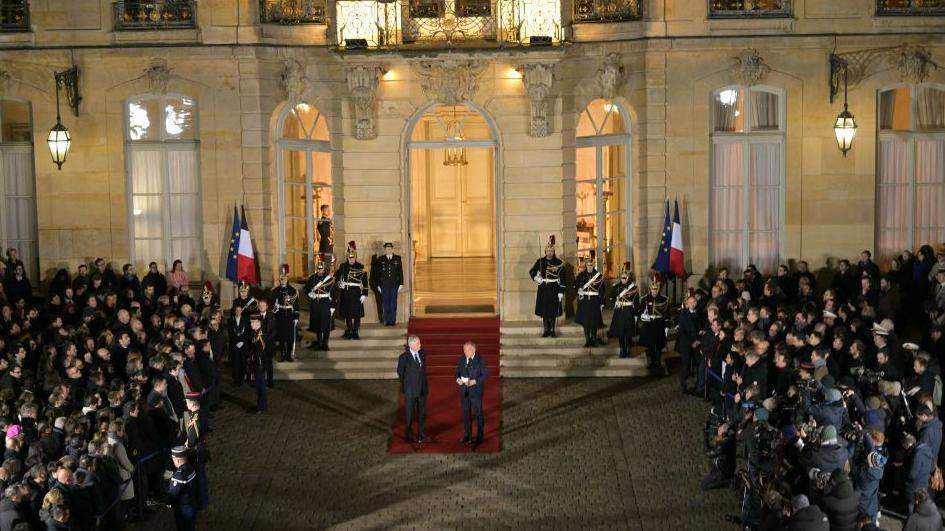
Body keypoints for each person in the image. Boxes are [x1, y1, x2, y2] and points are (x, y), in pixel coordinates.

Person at [528, 235, 564, 337]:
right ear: (545, 251)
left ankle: (552, 330)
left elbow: (563, 279)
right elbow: (531, 271)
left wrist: (561, 291)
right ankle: (545, 330)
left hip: (554, 289)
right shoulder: (540, 261)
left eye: (551, 251)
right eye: (548, 251)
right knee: (544, 310)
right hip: (543, 288)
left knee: (552, 310)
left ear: (553, 252)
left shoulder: (558, 263)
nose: (550, 253)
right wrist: (536, 278)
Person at [455, 341, 488, 446]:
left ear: (474, 350)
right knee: (466, 414)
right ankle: (467, 435)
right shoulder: (461, 359)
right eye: (464, 349)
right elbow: (456, 373)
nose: (465, 352)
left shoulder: (480, 360)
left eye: (467, 350)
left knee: (478, 414)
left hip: (476, 392)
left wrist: (474, 381)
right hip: (464, 391)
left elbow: (485, 375)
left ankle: (480, 436)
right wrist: (458, 380)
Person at [397, 335, 428, 443]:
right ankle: (409, 435)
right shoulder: (403, 358)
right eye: (418, 343)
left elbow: (423, 371)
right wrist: (406, 387)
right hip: (410, 390)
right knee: (409, 414)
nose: (420, 345)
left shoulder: (422, 353)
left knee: (422, 413)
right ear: (411, 345)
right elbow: (400, 373)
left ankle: (422, 434)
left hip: (422, 389)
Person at [335, 241, 368, 340]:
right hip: (346, 292)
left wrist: (364, 294)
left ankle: (356, 332)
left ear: (355, 257)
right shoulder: (343, 266)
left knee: (357, 315)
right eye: (350, 257)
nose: (351, 259)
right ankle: (349, 331)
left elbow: (365, 281)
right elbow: (336, 277)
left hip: (357, 293)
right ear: (347, 257)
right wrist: (339, 283)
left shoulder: (361, 267)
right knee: (348, 314)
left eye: (353, 257)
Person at [638, 276, 669, 375]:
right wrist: (642, 316)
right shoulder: (645, 299)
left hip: (659, 324)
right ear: (650, 289)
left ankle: (658, 363)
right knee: (649, 345)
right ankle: (651, 362)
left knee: (659, 345)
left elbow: (667, 314)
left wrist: (667, 326)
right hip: (648, 324)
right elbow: (641, 312)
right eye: (652, 289)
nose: (654, 291)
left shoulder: (664, 299)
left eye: (656, 289)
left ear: (658, 289)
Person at [304, 254, 335, 351]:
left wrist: (333, 306)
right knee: (317, 323)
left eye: (321, 269)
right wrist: (309, 294)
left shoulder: (329, 279)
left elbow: (334, 293)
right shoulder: (312, 278)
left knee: (325, 324)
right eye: (318, 268)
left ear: (324, 268)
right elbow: (306, 289)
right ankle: (319, 342)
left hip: (325, 303)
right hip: (315, 303)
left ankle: (325, 344)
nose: (320, 270)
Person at [608, 262, 638, 358]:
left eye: (625, 278)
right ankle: (622, 350)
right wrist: (615, 303)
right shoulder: (616, 287)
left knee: (628, 333)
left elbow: (637, 301)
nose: (623, 280)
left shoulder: (633, 288)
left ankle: (628, 350)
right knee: (620, 332)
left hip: (629, 311)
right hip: (619, 312)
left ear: (628, 278)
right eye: (622, 278)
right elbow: (611, 298)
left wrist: (636, 314)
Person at [574, 254, 605, 347]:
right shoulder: (581, 275)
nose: (590, 267)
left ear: (593, 265)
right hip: (584, 301)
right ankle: (587, 340)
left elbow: (602, 290)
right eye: (588, 265)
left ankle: (594, 339)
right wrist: (578, 290)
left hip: (595, 301)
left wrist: (602, 303)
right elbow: (575, 285)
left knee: (594, 321)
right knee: (586, 321)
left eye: (591, 265)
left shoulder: (598, 276)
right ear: (586, 265)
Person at [271, 265, 299, 362]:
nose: (283, 280)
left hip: (290, 316)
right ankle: (283, 353)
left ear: (287, 279)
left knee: (290, 336)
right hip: (280, 315)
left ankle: (289, 355)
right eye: (281, 279)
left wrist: (296, 317)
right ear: (279, 279)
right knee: (282, 336)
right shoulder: (275, 291)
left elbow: (296, 305)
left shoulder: (293, 291)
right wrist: (274, 311)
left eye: (285, 278)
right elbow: (271, 306)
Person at [168, 446, 199, 531]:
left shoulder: (179, 475)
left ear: (177, 460)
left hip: (183, 509)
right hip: (192, 504)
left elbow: (173, 494)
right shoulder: (191, 467)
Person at [677, 295, 704, 394]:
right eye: (690, 302)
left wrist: (698, 341)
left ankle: (697, 386)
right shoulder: (683, 315)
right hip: (686, 345)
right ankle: (684, 385)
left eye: (694, 302)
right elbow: (682, 332)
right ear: (687, 304)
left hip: (697, 344)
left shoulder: (700, 314)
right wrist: (691, 343)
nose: (692, 304)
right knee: (686, 365)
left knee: (698, 365)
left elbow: (702, 329)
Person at [375, 242, 404, 327]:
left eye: (390, 248)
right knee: (385, 302)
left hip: (394, 284)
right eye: (387, 249)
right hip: (384, 285)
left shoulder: (397, 258)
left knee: (393, 302)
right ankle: (387, 320)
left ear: (392, 249)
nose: (388, 250)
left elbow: (400, 272)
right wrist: (378, 285)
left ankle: (393, 320)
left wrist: (401, 283)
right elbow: (378, 273)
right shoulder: (381, 259)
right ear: (385, 250)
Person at [248, 313, 268, 413]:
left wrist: (253, 357)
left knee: (260, 386)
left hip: (259, 363)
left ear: (258, 322)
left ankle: (261, 407)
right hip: (256, 362)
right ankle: (260, 405)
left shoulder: (260, 334)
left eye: (253, 322)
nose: (251, 324)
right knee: (259, 385)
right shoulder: (256, 332)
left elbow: (259, 350)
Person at [228, 302, 250, 385]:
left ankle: (241, 380)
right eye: (236, 310)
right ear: (234, 311)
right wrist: (236, 343)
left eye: (239, 310)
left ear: (241, 311)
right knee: (235, 363)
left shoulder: (246, 320)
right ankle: (235, 380)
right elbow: (230, 333)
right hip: (234, 345)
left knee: (242, 363)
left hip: (243, 345)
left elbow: (247, 333)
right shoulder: (230, 320)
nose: (238, 312)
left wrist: (242, 342)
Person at [257, 301, 277, 388]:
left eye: (263, 305)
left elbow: (274, 331)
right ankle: (261, 381)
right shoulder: (255, 316)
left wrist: (265, 340)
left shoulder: (271, 316)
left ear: (267, 306)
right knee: (260, 363)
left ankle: (270, 381)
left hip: (269, 344)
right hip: (259, 344)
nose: (261, 307)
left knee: (269, 363)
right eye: (260, 305)